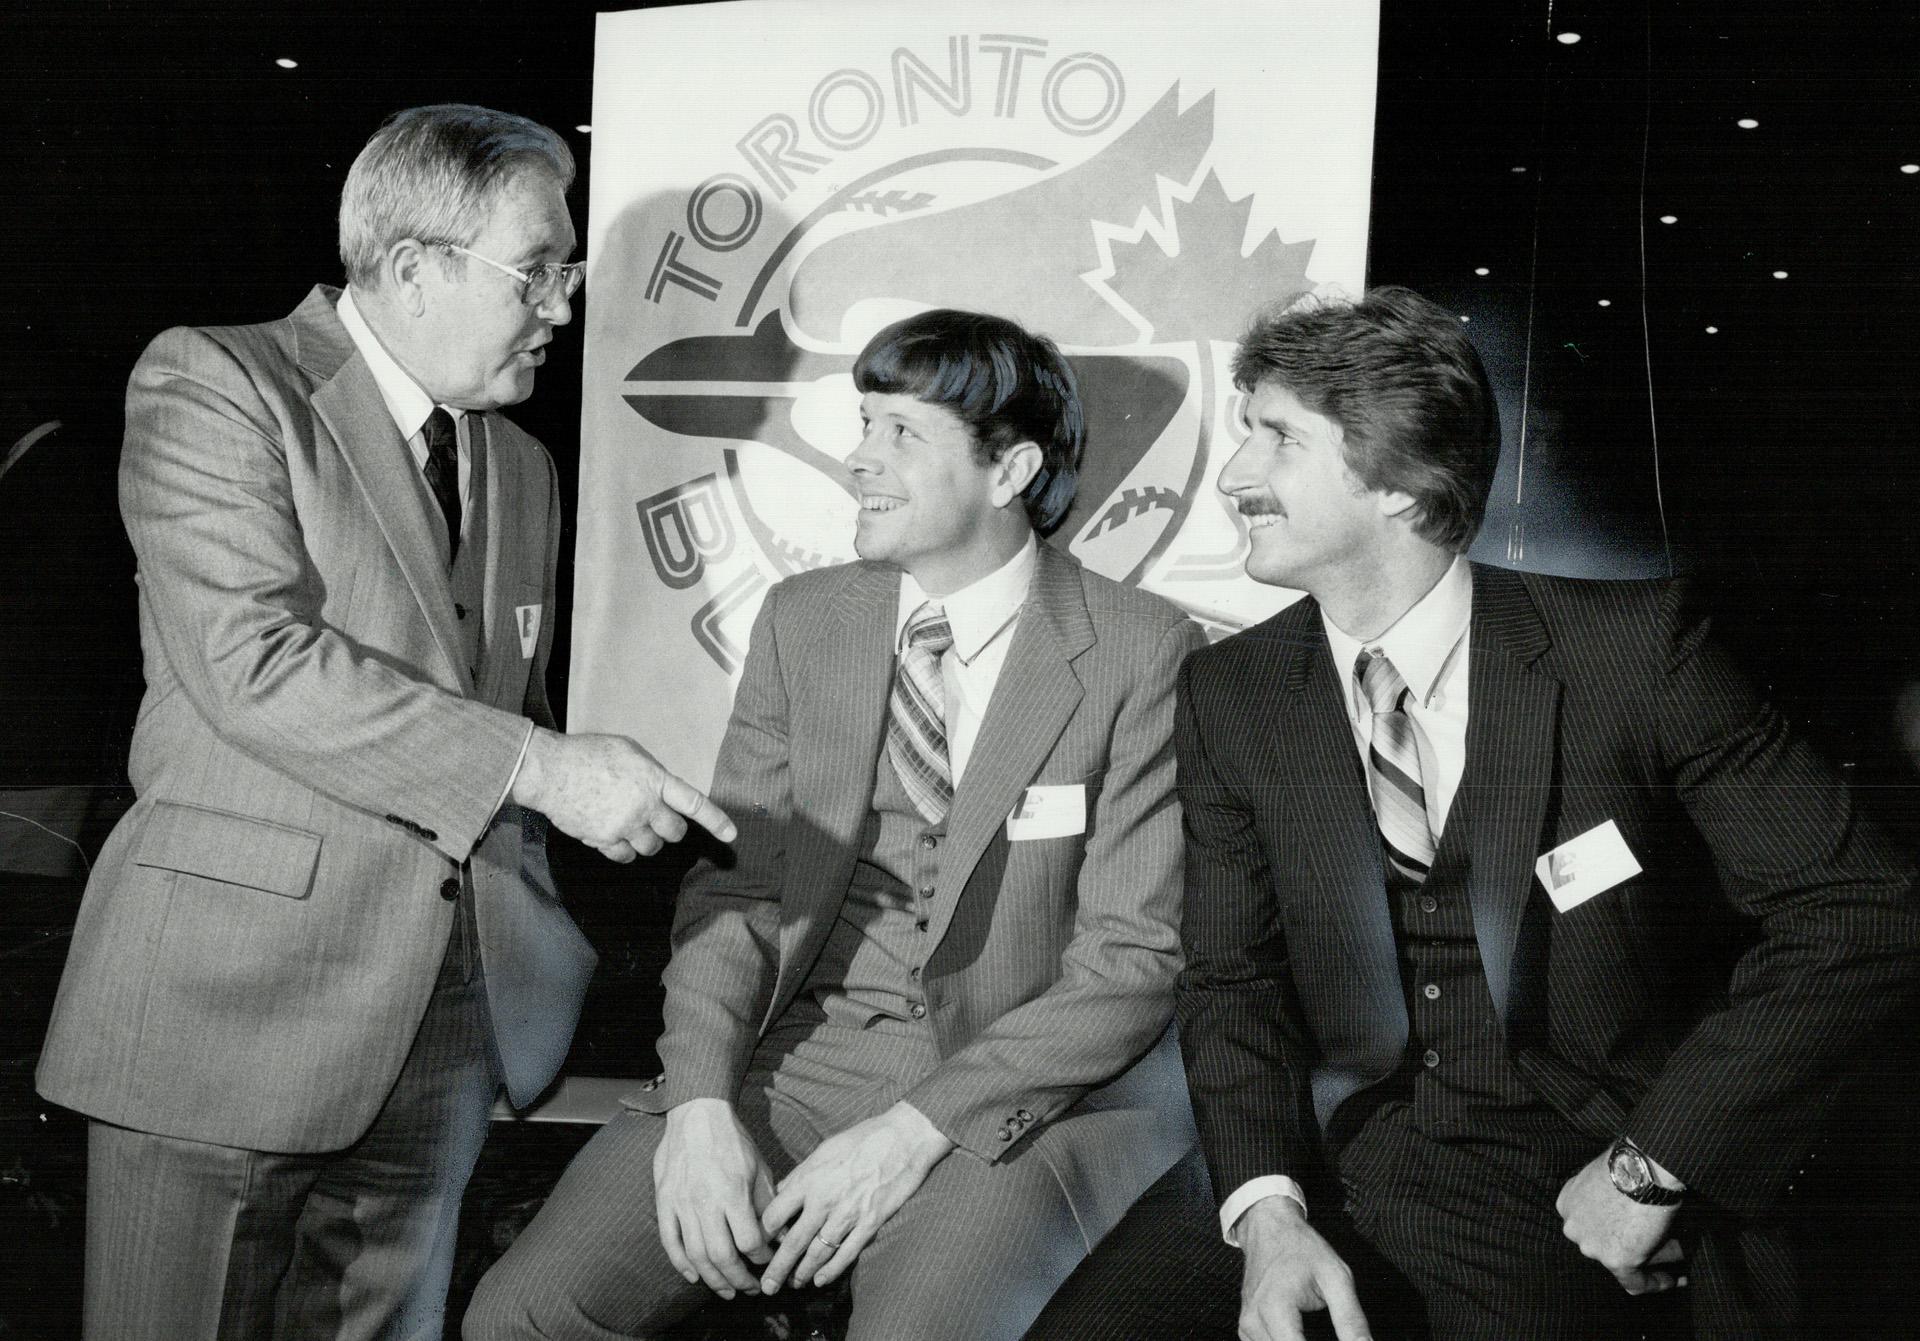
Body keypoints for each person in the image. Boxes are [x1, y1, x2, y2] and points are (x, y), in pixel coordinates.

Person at [36, 103, 735, 1341]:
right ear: (414, 270)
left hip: (448, 1035)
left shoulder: (522, 466)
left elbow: (494, 696)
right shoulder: (216, 380)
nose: (565, 304)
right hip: (222, 1021)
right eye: (542, 270)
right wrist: (548, 772)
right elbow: (255, 664)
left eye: (571, 272)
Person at [1174, 286, 1920, 1340]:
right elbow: (1229, 981)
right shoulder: (1233, 691)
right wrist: (1265, 1211)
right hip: (1325, 1158)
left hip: (1571, 1172)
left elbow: (1862, 912)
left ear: (1398, 481)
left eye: (1276, 439)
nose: (1235, 474)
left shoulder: (1633, 654)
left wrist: (1652, 1166)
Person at [464, 308, 1204, 1341]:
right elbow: (741, 894)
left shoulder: (1143, 649)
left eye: (903, 434)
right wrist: (698, 1104)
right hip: (795, 1066)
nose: (860, 461)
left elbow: (1131, 962)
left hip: (1015, 1098)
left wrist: (914, 1131)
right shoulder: (806, 621)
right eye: (863, 425)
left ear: (1011, 469)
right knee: (522, 1318)